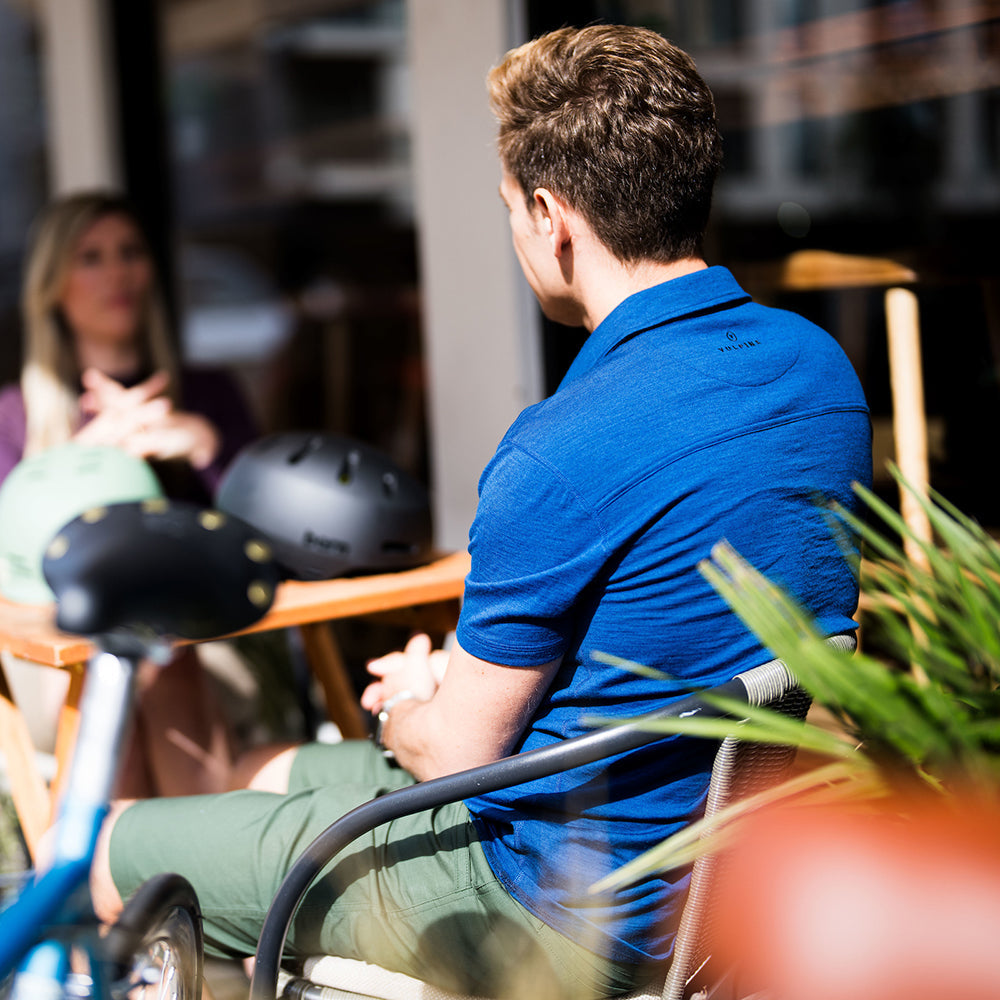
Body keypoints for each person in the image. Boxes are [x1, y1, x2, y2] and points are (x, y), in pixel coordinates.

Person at [90, 25, 872, 999]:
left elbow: (457, 753)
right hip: (723, 887)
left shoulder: (562, 446)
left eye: (508, 207)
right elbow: (674, 626)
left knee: (110, 848)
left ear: (550, 215)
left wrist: (418, 710)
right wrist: (454, 684)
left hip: (548, 910)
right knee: (261, 764)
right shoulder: (819, 372)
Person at [0, 190, 258, 797]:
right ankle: (144, 853)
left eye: (130, 252)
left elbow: (264, 542)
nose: (117, 273)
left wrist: (206, 448)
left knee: (160, 653)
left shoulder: (207, 393)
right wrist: (79, 465)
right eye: (90, 257)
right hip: (58, 656)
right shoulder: (13, 417)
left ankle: (181, 852)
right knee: (114, 659)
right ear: (53, 286)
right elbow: (13, 571)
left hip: (202, 639)